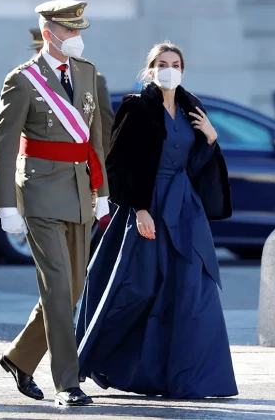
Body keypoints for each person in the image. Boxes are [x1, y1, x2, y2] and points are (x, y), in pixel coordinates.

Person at [75, 41, 238, 399]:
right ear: (150, 70)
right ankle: (115, 365)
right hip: (147, 208)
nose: (169, 69)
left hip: (185, 209)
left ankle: (194, 380)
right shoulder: (136, 107)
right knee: (139, 289)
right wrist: (140, 209)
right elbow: (117, 165)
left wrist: (210, 140)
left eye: (175, 63)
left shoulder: (192, 107)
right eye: (162, 63)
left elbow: (192, 168)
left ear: (183, 69)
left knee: (195, 291)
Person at [0, 0, 109, 407]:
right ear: (49, 34)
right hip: (40, 192)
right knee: (58, 287)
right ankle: (68, 383)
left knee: (73, 289)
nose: (77, 38)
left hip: (81, 191)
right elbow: (5, 147)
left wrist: (104, 193)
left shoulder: (88, 73)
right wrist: (6, 205)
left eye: (79, 31)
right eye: (70, 31)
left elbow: (97, 140)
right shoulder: (23, 80)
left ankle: (20, 358)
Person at [27, 27, 114, 157]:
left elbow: (104, 127)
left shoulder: (92, 79)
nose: (40, 55)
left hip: (80, 161)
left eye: (43, 50)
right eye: (38, 51)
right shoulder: (28, 78)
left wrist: (103, 164)